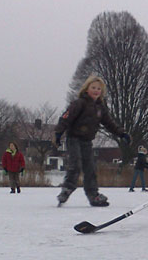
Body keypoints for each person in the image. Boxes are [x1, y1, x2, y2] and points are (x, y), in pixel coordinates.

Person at [54, 74, 130, 207]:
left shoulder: (100, 108)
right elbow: (66, 118)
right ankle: (67, 189)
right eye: (93, 87)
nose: (96, 91)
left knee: (90, 168)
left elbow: (109, 123)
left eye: (99, 89)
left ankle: (93, 195)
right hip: (74, 139)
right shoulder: (79, 103)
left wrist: (122, 134)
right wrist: (58, 133)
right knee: (75, 164)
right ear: (86, 89)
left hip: (87, 141)